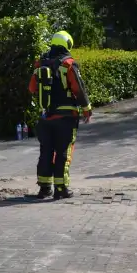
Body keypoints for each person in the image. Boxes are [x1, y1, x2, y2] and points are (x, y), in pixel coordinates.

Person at [28, 31, 92, 199]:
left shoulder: (41, 64)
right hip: (66, 118)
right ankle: (61, 189)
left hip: (45, 117)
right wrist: (87, 110)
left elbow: (32, 89)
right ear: (68, 44)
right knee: (63, 152)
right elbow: (78, 89)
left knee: (46, 152)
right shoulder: (68, 64)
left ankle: (44, 189)